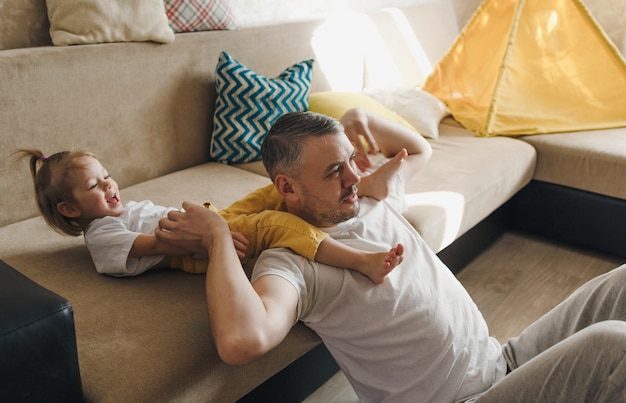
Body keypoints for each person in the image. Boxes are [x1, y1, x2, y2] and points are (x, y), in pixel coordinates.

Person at [157, 108, 626, 402]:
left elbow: (417, 149)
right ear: (287, 188)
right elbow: (242, 341)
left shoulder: (370, 199)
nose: (353, 179)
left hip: (504, 361)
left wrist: (363, 114)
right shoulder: (293, 261)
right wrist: (218, 236)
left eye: (351, 163)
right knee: (613, 344)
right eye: (334, 171)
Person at [14, 127, 404, 281]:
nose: (109, 185)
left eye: (106, 176)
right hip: (199, 248)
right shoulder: (102, 235)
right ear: (70, 209)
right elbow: (160, 245)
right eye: (94, 187)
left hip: (209, 223)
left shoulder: (117, 212)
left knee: (272, 192)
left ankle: (366, 185)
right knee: (272, 222)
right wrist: (212, 238)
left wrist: (212, 223)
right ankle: (360, 262)